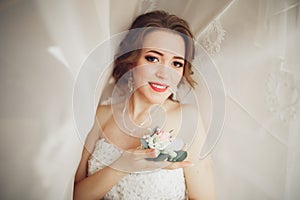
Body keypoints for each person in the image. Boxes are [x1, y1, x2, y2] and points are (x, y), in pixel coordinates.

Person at [73, 10, 215, 200]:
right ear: (132, 61)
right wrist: (124, 165)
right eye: (152, 58)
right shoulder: (101, 115)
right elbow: (75, 196)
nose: (164, 74)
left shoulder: (189, 120)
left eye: (176, 64)